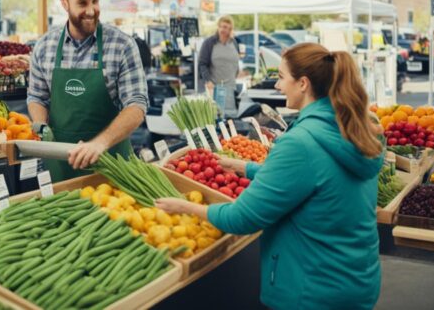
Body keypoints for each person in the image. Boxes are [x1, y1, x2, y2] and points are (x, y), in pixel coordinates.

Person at [156, 42, 384, 310]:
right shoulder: (352, 128)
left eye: (281, 77)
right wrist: (247, 168)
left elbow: (242, 218)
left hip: (314, 291)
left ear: (303, 84)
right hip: (355, 279)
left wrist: (184, 206)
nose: (277, 86)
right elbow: (317, 177)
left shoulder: (301, 142)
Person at [27, 0, 148, 182]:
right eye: (82, 3)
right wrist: (42, 127)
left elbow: (137, 104)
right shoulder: (44, 47)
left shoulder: (122, 45)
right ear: (64, 3)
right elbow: (37, 97)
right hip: (62, 166)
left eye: (95, 1)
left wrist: (100, 143)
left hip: (113, 166)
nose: (91, 10)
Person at [198, 16, 240, 117]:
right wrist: (208, 80)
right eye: (222, 27)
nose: (224, 30)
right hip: (214, 88)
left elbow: (235, 62)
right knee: (215, 118)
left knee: (230, 118)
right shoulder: (209, 43)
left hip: (230, 87)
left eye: (227, 28)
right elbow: (202, 64)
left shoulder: (234, 43)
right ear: (218, 27)